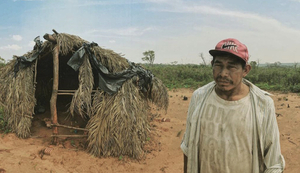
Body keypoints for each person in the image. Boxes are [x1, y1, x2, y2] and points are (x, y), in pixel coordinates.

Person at [181, 38, 285, 173]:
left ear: (245, 70)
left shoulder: (262, 104)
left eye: (231, 66)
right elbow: (188, 148)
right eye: (218, 65)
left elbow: (274, 163)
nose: (223, 73)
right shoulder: (199, 97)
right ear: (212, 64)